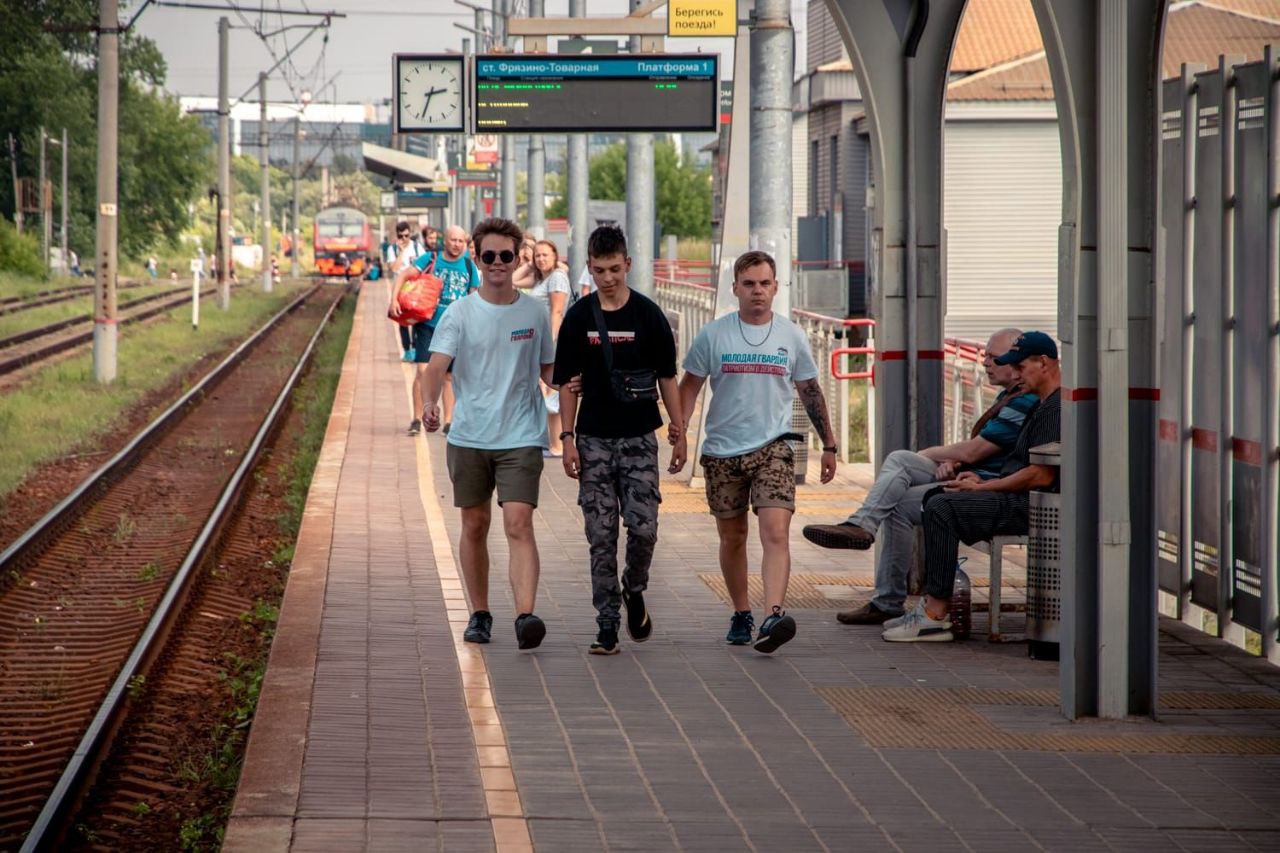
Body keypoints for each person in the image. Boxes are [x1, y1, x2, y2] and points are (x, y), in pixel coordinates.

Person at [800, 328, 1038, 625]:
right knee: (897, 496)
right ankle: (883, 590)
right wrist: (952, 459)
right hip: (974, 475)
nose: (985, 363)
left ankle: (864, 529)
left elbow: (977, 450)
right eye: (984, 356)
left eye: (994, 357)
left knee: (901, 470)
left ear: (1021, 364)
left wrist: (934, 454)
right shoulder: (1010, 395)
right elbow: (988, 448)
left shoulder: (1025, 401)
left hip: (992, 489)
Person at [677, 250, 838, 654]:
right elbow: (690, 386)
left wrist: (830, 445)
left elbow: (810, 392)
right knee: (733, 537)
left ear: (776, 288)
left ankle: (773, 614)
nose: (758, 291)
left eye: (765, 283)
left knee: (776, 533)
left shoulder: (791, 336)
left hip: (775, 448)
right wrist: (679, 434)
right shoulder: (714, 335)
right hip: (722, 451)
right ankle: (741, 611)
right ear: (735, 289)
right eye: (749, 284)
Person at [421, 217, 554, 650]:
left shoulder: (534, 311)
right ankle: (479, 612)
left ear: (518, 259)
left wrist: (577, 384)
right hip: (470, 436)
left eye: (507, 256)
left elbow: (549, 368)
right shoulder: (460, 312)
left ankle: (525, 616)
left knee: (518, 522)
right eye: (490, 256)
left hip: (520, 435)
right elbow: (436, 366)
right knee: (475, 524)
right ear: (477, 259)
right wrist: (430, 404)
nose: (498, 263)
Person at [554, 226, 686, 655]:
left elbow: (668, 377)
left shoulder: (648, 316)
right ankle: (607, 623)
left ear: (628, 264)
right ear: (588, 268)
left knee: (644, 527)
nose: (607, 278)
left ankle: (635, 587)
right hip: (592, 439)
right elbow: (567, 385)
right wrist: (567, 438)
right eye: (598, 270)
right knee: (601, 534)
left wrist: (679, 432)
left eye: (614, 268)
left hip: (638, 439)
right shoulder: (578, 318)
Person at [882, 331, 1062, 642]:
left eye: (1020, 367)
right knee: (942, 497)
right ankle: (931, 607)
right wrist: (981, 479)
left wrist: (984, 489)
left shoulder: (1054, 408)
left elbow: (1040, 475)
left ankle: (935, 613)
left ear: (1043, 363)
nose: (1017, 374)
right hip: (1019, 497)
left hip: (1030, 505)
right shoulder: (1040, 404)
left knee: (940, 507)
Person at [404, 225, 480, 433]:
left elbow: (474, 296)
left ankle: (448, 421)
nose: (456, 245)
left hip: (455, 329)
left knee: (449, 376)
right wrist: (394, 300)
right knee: (422, 371)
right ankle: (417, 418)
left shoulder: (469, 265)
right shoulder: (430, 259)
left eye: (461, 241)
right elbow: (405, 275)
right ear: (444, 240)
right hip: (427, 324)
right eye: (453, 240)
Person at [527, 240, 573, 456]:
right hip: (540, 342)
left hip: (553, 343)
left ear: (556, 256)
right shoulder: (542, 278)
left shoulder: (556, 278)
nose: (541, 259)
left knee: (553, 394)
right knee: (549, 394)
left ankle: (556, 446)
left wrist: (551, 344)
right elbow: (514, 279)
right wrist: (529, 262)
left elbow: (557, 311)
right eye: (537, 255)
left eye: (545, 255)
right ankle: (553, 443)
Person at [385, 222, 422, 362]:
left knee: (417, 320)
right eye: (401, 236)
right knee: (402, 320)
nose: (404, 239)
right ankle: (407, 350)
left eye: (407, 235)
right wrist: (401, 252)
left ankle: (416, 348)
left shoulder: (418, 247)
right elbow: (394, 268)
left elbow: (426, 266)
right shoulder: (392, 249)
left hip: (416, 290)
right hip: (400, 290)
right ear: (397, 235)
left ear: (410, 233)